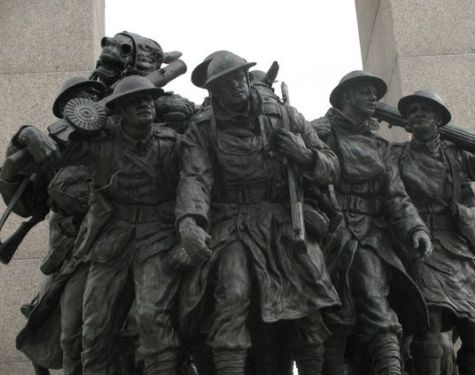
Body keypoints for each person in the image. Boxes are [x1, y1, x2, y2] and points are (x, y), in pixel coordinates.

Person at [176, 50, 341, 375]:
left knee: (310, 303)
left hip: (284, 219)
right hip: (233, 223)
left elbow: (331, 166)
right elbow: (195, 176)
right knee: (232, 295)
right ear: (214, 92)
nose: (236, 86)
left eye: (240, 77)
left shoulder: (286, 116)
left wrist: (305, 155)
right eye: (226, 83)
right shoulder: (202, 129)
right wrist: (190, 222)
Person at [5, 75, 183, 375]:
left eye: (93, 96)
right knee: (74, 334)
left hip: (148, 239)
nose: (88, 105)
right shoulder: (68, 149)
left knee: (154, 323)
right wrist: (24, 134)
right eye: (77, 103)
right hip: (83, 253)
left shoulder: (151, 126)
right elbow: (22, 197)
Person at [311, 71, 432, 375]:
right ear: (346, 96)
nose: (373, 98)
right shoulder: (320, 133)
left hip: (371, 236)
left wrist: (415, 227)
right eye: (365, 91)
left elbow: (396, 196)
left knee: (377, 302)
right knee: (333, 318)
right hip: (329, 233)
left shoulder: (380, 147)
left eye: (374, 92)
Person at [391, 90, 475, 375]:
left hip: (459, 251)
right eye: (412, 110)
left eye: (424, 110)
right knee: (429, 324)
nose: (417, 114)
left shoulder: (458, 154)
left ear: (438, 118)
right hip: (421, 247)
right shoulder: (398, 157)